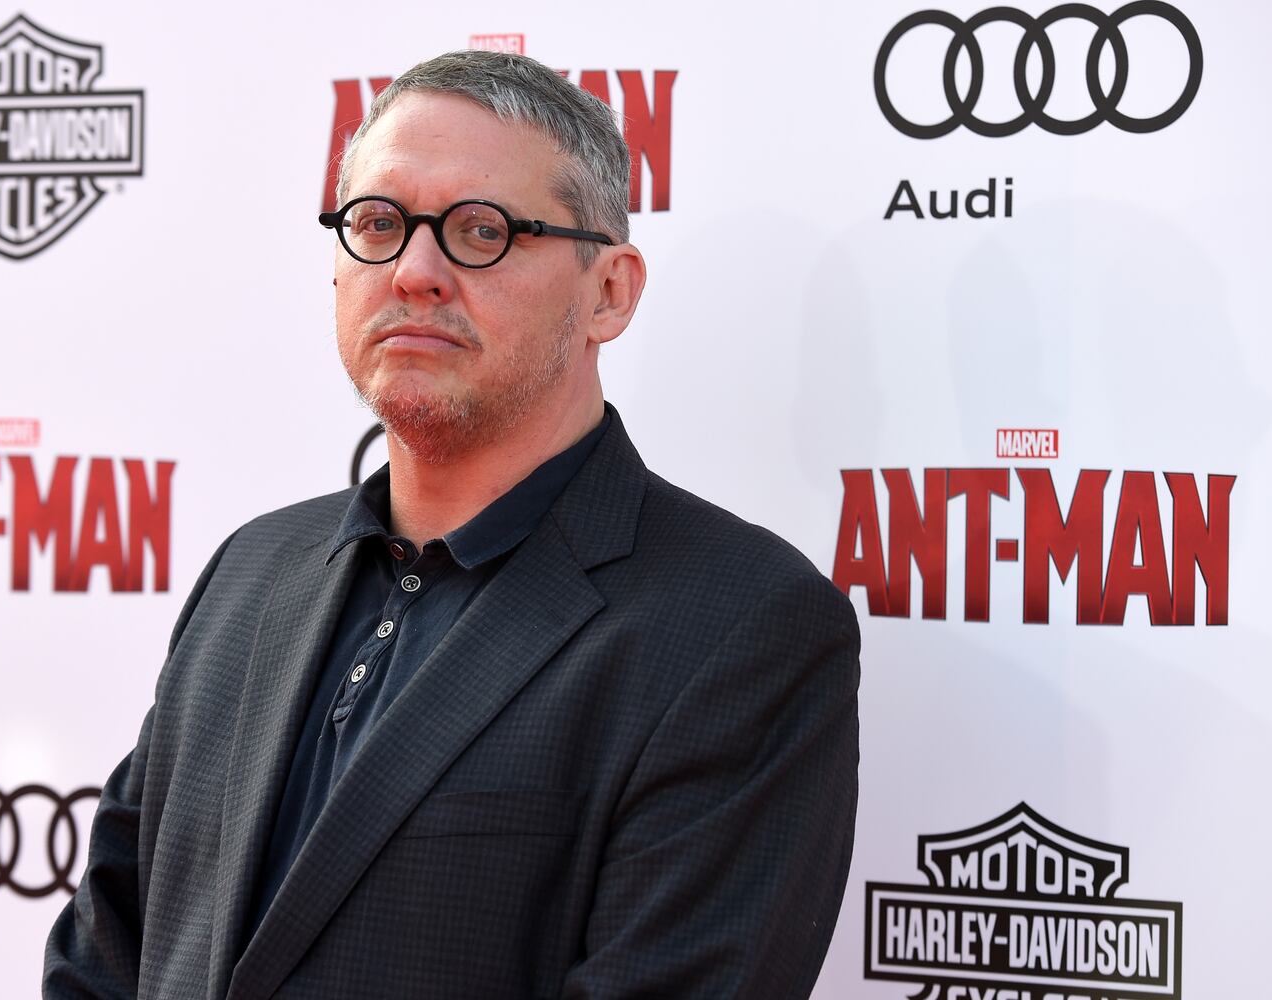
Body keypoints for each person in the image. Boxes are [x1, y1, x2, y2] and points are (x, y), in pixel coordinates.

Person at [44, 49, 859, 1000]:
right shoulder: (251, 571)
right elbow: (105, 953)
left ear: (609, 292)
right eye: (378, 224)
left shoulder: (738, 628)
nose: (414, 272)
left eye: (481, 230)